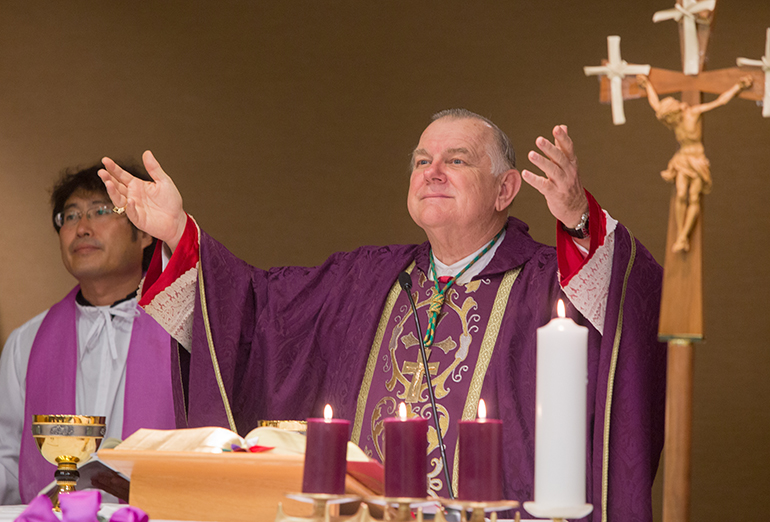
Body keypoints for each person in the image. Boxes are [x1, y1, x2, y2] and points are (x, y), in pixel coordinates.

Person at [99, 109, 666, 522]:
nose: (432, 171)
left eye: (456, 160)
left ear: (506, 189)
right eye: (422, 160)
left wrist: (576, 221)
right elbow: (255, 312)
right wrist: (176, 233)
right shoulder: (365, 279)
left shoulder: (552, 281)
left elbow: (630, 311)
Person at [0, 164, 176, 505]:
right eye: (69, 216)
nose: (82, 228)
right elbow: (8, 457)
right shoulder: (27, 342)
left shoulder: (183, 330)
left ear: (144, 233)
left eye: (100, 211)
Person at [637, 74, 753, 253]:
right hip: (682, 158)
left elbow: (720, 102)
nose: (670, 124)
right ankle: (680, 237)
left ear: (675, 113)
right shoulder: (672, 119)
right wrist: (646, 85)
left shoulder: (693, 113)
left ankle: (683, 236)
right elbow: (655, 104)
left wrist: (739, 87)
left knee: (693, 196)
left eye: (670, 119)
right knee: (681, 193)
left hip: (697, 160)